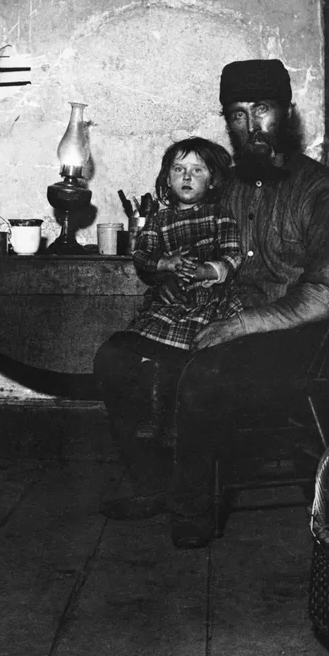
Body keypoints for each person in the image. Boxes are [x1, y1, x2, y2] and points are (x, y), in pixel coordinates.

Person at [94, 59, 329, 548]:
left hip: (289, 337)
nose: (251, 126)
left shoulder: (326, 191)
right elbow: (192, 245)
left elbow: (323, 295)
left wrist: (241, 324)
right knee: (115, 357)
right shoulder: (222, 185)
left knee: (203, 375)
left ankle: (191, 511)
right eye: (237, 114)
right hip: (213, 316)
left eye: (262, 110)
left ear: (287, 113)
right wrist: (173, 278)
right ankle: (155, 485)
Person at [99, 138, 244, 448]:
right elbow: (142, 256)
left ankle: (173, 424)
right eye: (179, 169)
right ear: (167, 178)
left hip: (208, 303)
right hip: (169, 306)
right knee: (127, 352)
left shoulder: (220, 215)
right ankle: (147, 421)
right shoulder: (158, 220)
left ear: (213, 180)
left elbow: (233, 256)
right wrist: (166, 263)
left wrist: (205, 270)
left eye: (197, 170)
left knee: (184, 363)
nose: (187, 177)